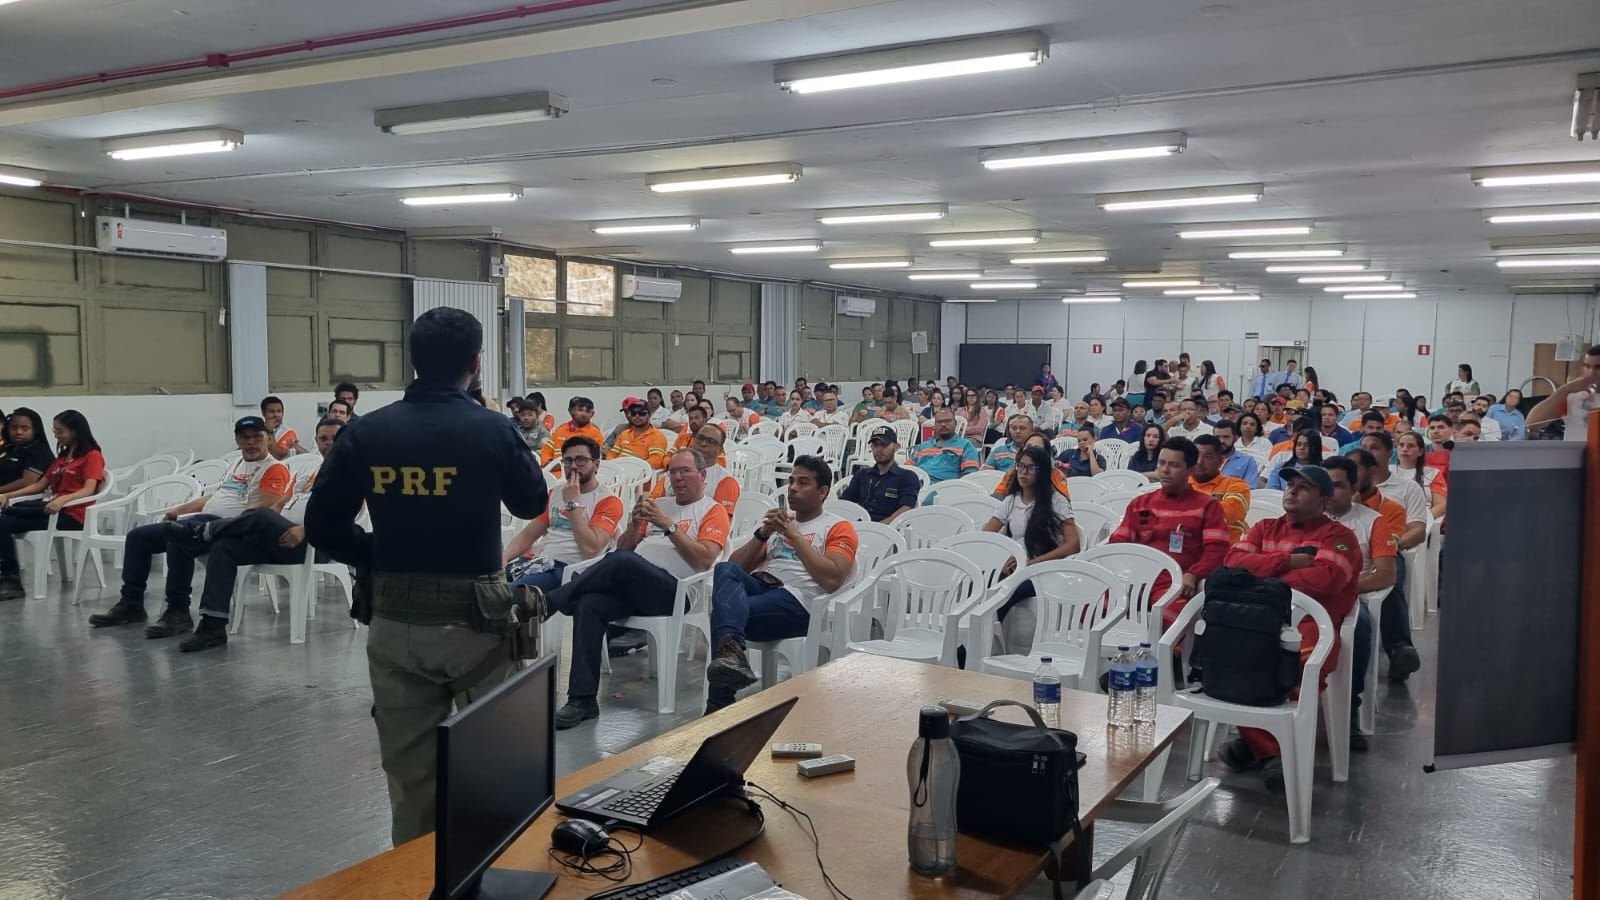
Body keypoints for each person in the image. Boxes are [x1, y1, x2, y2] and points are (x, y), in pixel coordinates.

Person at [304, 307, 548, 846]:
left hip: (395, 619)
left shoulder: (369, 430)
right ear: (476, 362)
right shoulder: (490, 429)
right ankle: (488, 872)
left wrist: (378, 550)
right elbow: (532, 498)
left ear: (413, 362)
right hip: (477, 624)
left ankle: (418, 879)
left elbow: (321, 524)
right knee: (492, 764)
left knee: (412, 780)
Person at [546, 448, 728, 730]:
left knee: (621, 561)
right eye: (673, 471)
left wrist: (668, 527)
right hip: (634, 587)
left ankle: (552, 602)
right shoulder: (660, 503)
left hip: (675, 593)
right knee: (589, 604)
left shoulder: (712, 509)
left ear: (702, 475)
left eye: (685, 471)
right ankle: (582, 699)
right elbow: (625, 547)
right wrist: (633, 525)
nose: (677, 478)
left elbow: (705, 559)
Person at [1215, 465, 1361, 792]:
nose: (1292, 491)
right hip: (1259, 625)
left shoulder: (1339, 537)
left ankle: (1256, 745)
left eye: (1303, 487)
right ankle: (1271, 754)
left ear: (1324, 500)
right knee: (1229, 664)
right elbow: (1233, 565)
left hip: (1313, 627)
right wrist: (1289, 562)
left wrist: (1263, 576)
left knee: (1295, 672)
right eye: (1290, 484)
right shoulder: (1265, 528)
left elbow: (1325, 580)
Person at [87, 415, 292, 636]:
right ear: (237, 440)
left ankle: (178, 611)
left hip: (231, 530)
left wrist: (223, 523)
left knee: (180, 536)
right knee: (139, 537)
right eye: (245, 438)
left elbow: (263, 511)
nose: (251, 443)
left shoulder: (274, 469)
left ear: (268, 438)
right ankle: (131, 603)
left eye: (257, 437)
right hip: (203, 521)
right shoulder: (237, 464)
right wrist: (179, 510)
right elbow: (215, 498)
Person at [178, 417, 349, 652]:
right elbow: (281, 503)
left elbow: (346, 516)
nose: (328, 443)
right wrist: (273, 519)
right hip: (280, 537)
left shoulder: (351, 471)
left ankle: (204, 531)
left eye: (334, 439)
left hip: (311, 544)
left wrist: (305, 529)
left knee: (261, 515)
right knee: (225, 546)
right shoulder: (311, 470)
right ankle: (213, 626)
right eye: (323, 439)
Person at [706, 455, 857, 714]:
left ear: (822, 491)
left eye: (803, 482)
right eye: (791, 481)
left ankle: (718, 703)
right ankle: (732, 654)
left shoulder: (837, 527)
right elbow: (736, 567)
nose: (793, 488)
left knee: (722, 615)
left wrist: (795, 536)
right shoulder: (780, 526)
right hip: (764, 587)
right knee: (724, 568)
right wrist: (762, 534)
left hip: (799, 602)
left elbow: (832, 580)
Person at [1107, 437, 1230, 624]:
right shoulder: (1140, 503)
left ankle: (1163, 654)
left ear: (1190, 469)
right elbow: (1118, 544)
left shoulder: (1208, 506)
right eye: (1161, 463)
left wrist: (1194, 574)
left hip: (1176, 583)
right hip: (1134, 579)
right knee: (1090, 608)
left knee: (1168, 619)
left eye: (1173, 465)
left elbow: (1217, 550)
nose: (1164, 470)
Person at [1321, 456, 1398, 751]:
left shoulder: (1371, 521)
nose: (1330, 492)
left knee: (1360, 627)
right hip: (1306, 595)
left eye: (1338, 486)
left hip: (1354, 598)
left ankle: (1348, 708)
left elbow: (1386, 573)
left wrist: (1342, 588)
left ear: (1354, 487)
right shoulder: (1308, 517)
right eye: (1325, 485)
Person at [0, 410, 107, 601]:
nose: (56, 436)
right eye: (55, 431)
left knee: (3, 523)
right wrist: (8, 494)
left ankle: (12, 580)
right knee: (6, 515)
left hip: (73, 515)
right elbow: (40, 485)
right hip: (54, 510)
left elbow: (89, 489)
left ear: (75, 431)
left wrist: (63, 499)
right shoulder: (63, 456)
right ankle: (8, 575)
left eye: (60, 431)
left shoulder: (92, 455)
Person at [501, 434, 624, 597]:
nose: (573, 466)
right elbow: (528, 535)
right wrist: (504, 558)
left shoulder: (608, 501)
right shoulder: (556, 493)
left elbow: (591, 549)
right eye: (568, 460)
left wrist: (572, 504)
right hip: (540, 560)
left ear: (596, 465)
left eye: (580, 460)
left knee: (510, 595)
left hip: (570, 570)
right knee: (487, 586)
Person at [1346, 445, 1423, 683]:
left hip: (1381, 554)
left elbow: (1392, 541)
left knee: (1390, 573)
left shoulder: (1391, 508)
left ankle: (1399, 648)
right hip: (1344, 560)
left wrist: (1358, 509)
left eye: (1354, 471)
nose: (1349, 478)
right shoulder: (1330, 506)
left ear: (1371, 472)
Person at [982, 445, 1080, 619]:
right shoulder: (1011, 501)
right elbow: (986, 536)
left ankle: (980, 641)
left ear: (1042, 471)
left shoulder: (1057, 501)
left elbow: (1073, 545)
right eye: (1020, 466)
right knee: (977, 586)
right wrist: (1001, 561)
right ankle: (974, 638)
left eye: (1030, 468)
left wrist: (1032, 563)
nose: (1023, 472)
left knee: (1001, 597)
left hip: (1044, 569)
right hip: (1015, 566)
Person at [649, 423, 740, 518]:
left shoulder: (726, 481)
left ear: (720, 450)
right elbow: (652, 504)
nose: (703, 444)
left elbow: (721, 522)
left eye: (710, 441)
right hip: (660, 527)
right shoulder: (673, 473)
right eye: (700, 438)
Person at [842, 426, 921, 523]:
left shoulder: (907, 477)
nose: (879, 449)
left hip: (890, 530)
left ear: (896, 447)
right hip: (858, 525)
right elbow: (845, 502)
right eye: (875, 445)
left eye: (884, 445)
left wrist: (881, 527)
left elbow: (906, 508)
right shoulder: (862, 475)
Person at [1527, 345, 1600, 441]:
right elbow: (1532, 423)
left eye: (1598, 367)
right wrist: (1567, 389)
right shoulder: (1575, 398)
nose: (1591, 373)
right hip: (1575, 455)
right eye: (1587, 366)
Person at [1189, 435, 1251, 542]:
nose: (1199, 462)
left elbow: (1224, 515)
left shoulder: (1237, 485)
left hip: (1226, 552)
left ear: (1221, 461)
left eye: (1207, 457)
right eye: (1196, 455)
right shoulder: (1180, 484)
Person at [912, 409, 981, 484]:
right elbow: (907, 469)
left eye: (947, 421)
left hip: (946, 490)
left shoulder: (966, 446)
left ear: (955, 423)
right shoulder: (922, 446)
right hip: (917, 488)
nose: (943, 424)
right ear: (934, 426)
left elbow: (970, 476)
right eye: (939, 422)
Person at [0, 408, 53, 501]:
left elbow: (27, 482)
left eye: (25, 428)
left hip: (22, 501)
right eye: (14, 427)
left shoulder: (38, 450)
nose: (18, 432)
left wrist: (1, 491)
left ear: (35, 430)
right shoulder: (7, 447)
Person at [1395, 431, 1448, 520]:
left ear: (1420, 451)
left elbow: (1441, 505)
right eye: (1401, 445)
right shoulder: (1387, 471)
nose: (1404, 449)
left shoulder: (1433, 473)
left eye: (1410, 446)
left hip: (1423, 523)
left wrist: (1421, 521)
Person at [541, 396, 605, 468]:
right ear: (573, 411)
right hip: (555, 474)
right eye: (580, 410)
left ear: (592, 414)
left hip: (582, 474)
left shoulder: (595, 434)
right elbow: (546, 451)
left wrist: (562, 466)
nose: (584, 414)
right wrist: (548, 465)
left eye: (587, 411)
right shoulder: (560, 430)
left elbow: (595, 459)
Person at [1211, 420, 1261, 485]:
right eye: (1217, 437)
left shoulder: (1247, 461)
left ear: (1236, 438)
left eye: (1226, 437)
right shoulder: (1204, 459)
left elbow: (1250, 488)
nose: (1221, 441)